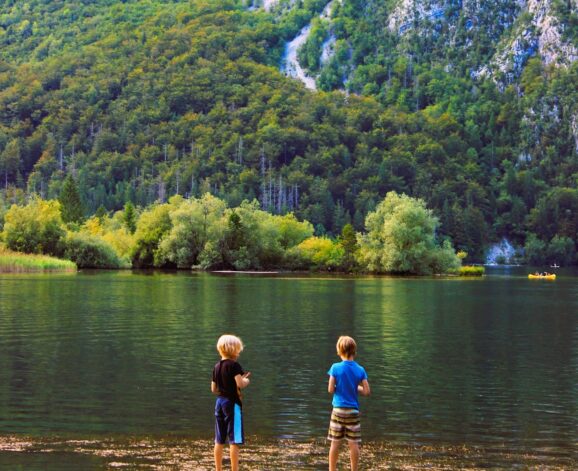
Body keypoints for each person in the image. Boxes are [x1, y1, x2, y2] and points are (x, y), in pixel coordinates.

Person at [327, 336, 371, 471]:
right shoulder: (360, 369)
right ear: (354, 352)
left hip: (338, 410)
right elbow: (366, 391)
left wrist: (340, 387)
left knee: (335, 443)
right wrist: (354, 387)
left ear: (340, 352)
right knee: (353, 444)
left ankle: (332, 469)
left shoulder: (335, 367)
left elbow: (330, 389)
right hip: (353, 411)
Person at [211, 334, 251, 471]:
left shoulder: (217, 366)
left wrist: (224, 388)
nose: (238, 353)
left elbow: (213, 389)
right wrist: (246, 381)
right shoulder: (234, 365)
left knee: (219, 439)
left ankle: (218, 469)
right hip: (232, 404)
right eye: (238, 350)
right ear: (234, 350)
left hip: (219, 403)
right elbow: (240, 383)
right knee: (234, 440)